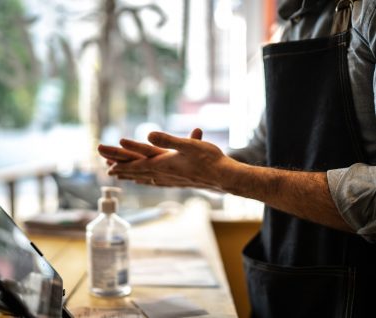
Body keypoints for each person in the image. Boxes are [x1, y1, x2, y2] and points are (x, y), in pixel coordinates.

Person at [98, 1, 376, 317]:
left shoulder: (368, 13)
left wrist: (227, 176)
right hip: (287, 276)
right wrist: (199, 170)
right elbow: (264, 152)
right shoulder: (291, 27)